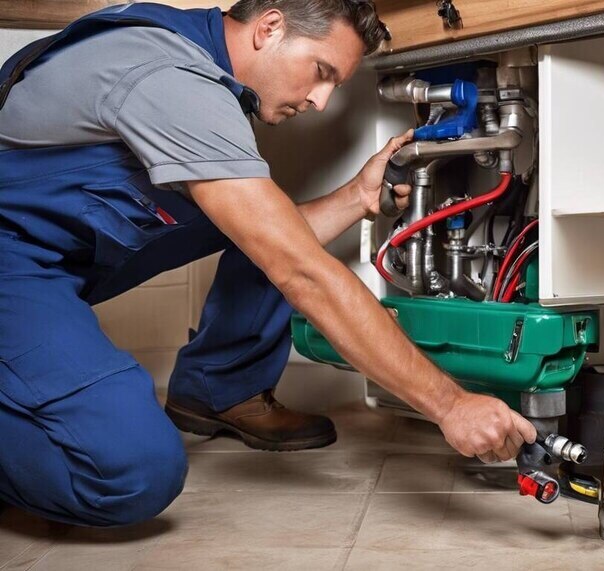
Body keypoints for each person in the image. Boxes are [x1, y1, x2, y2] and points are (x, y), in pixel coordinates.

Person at [0, 0, 536, 527]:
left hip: (46, 263)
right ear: (271, 27)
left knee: (259, 221)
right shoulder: (169, 78)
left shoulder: (194, 66)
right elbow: (299, 270)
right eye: (321, 73)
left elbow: (272, 237)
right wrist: (450, 404)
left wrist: (355, 196)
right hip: (13, 261)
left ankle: (218, 388)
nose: (321, 101)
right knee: (129, 471)